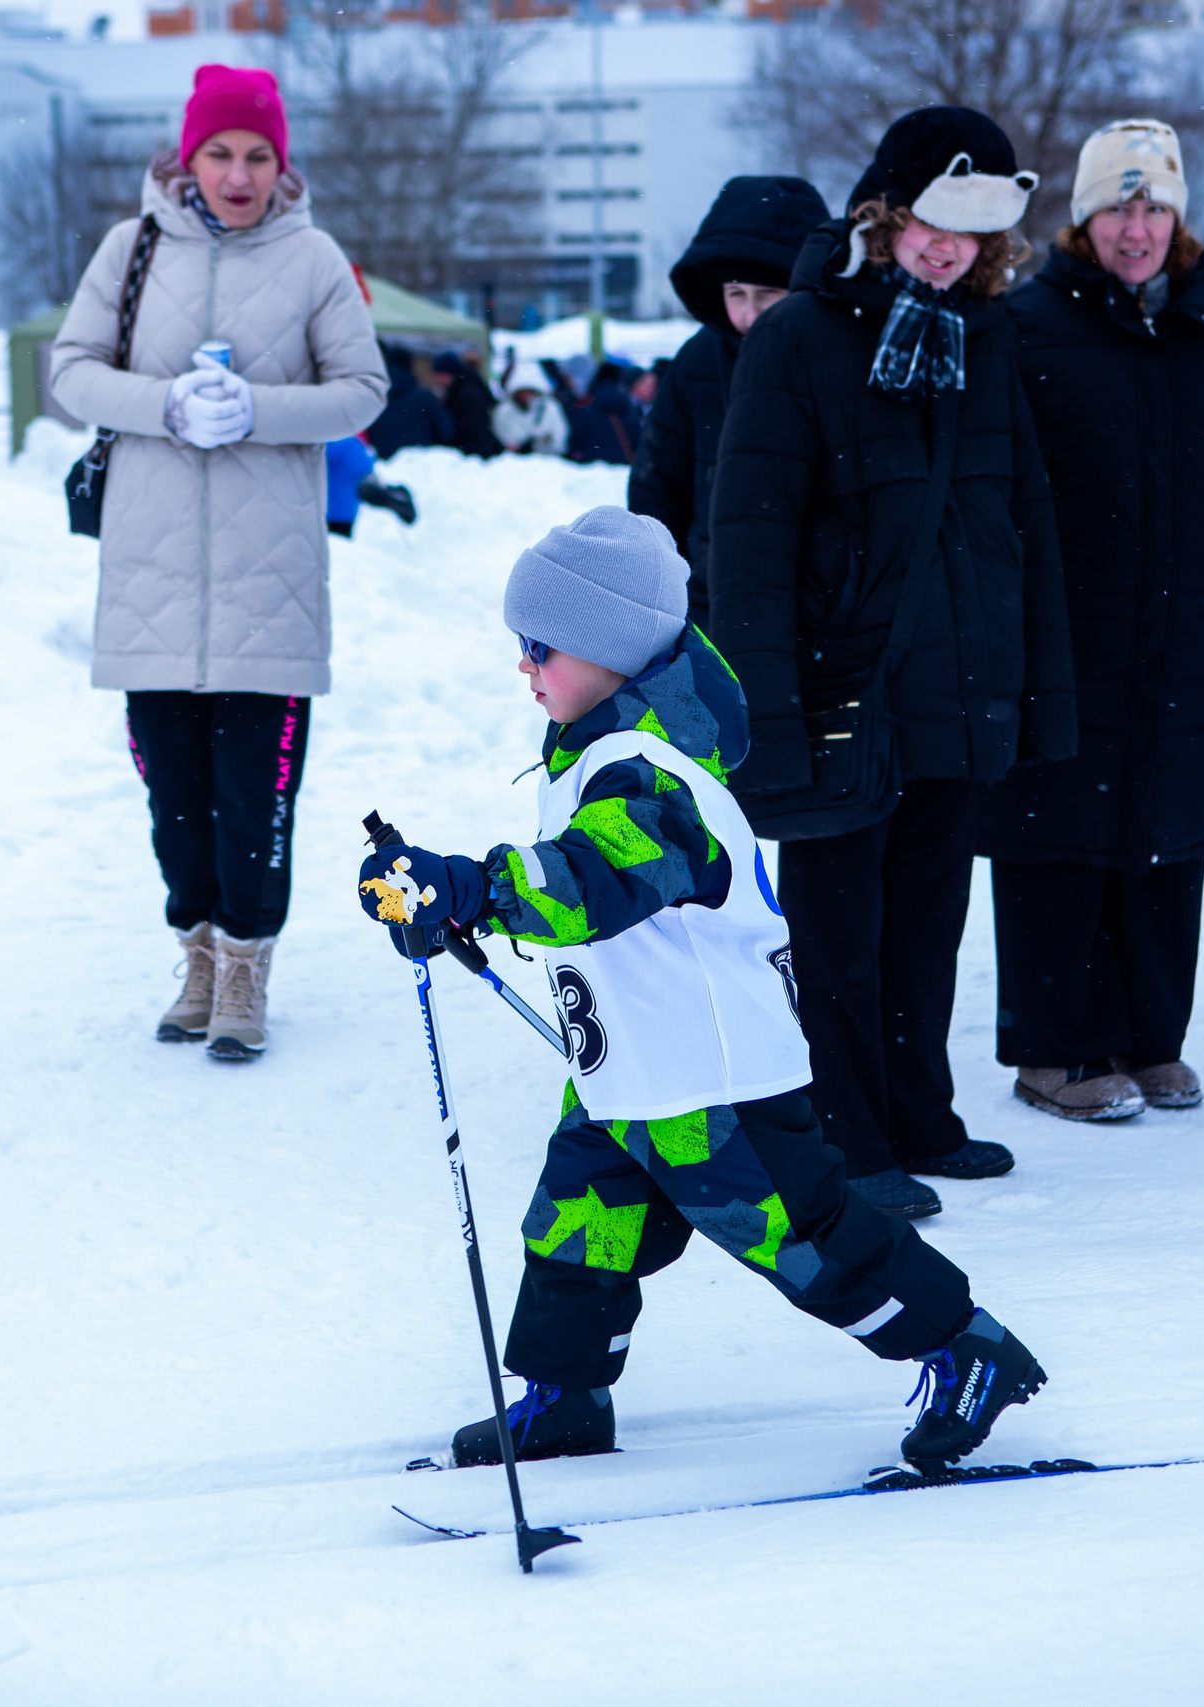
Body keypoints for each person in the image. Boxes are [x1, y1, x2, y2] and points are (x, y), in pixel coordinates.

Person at [356, 506, 1046, 1477]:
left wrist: (476, 885)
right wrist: (450, 910)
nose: (523, 665)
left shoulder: (653, 776)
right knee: (574, 1230)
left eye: (538, 646)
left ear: (609, 653)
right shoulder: (592, 752)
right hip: (628, 1073)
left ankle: (966, 1349)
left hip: (714, 1081)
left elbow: (595, 878)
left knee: (803, 1241)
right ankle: (565, 1397)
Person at [710, 106, 1075, 1220]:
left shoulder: (987, 337)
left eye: (971, 233)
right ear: (884, 211)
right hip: (839, 691)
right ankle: (843, 1140)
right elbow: (751, 538)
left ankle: (920, 1117)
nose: (947, 250)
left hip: (955, 690)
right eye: (930, 222)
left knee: (925, 924)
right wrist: (765, 708)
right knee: (837, 937)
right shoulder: (799, 339)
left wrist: (1034, 691)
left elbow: (1025, 525)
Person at [987, 119, 1204, 1121]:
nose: (1134, 228)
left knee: (1166, 840)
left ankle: (1148, 1042)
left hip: (1187, 630)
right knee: (1060, 840)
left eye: (1152, 207)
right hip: (1064, 636)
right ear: (1081, 218)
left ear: (1176, 216)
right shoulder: (1029, 325)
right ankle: (1054, 1052)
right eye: (1115, 207)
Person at [48, 63, 386, 1062]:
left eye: (257, 156)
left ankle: (245, 966)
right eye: (219, 154)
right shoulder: (131, 248)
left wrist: (257, 415)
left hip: (267, 585)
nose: (238, 175)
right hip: (147, 583)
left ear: (281, 165)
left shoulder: (314, 257)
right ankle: (195, 952)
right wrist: (165, 405)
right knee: (174, 801)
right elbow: (69, 372)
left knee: (253, 797)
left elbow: (363, 390)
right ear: (187, 158)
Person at [629, 174, 828, 630]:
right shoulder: (697, 361)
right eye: (737, 294)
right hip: (711, 599)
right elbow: (658, 487)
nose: (750, 313)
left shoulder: (834, 358)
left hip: (819, 601)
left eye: (769, 295)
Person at [367, 349, 454, 458]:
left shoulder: (374, 397)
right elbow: (446, 431)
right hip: (417, 465)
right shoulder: (424, 397)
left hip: (380, 464)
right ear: (410, 366)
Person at [323, 434, 414, 537]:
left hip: (329, 511)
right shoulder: (351, 444)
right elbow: (365, 470)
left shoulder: (335, 443)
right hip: (343, 511)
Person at [565, 358, 641, 465]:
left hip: (590, 469)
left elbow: (573, 443)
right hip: (622, 469)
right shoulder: (631, 410)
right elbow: (638, 442)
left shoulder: (587, 410)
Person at [432, 351, 503, 458]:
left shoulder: (468, 394)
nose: (438, 379)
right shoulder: (462, 387)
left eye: (440, 375)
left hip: (475, 456)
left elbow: (476, 431)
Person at [492, 380, 568, 456]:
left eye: (528, 392)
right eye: (523, 392)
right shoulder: (504, 410)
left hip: (548, 458)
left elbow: (560, 434)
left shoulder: (549, 407)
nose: (526, 395)